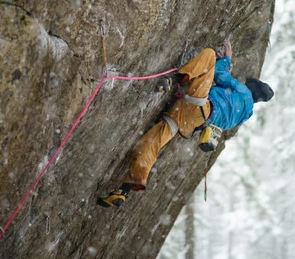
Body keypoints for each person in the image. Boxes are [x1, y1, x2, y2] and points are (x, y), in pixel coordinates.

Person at [97, 39, 274, 208]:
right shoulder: (244, 115)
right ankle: (123, 190)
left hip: (200, 104)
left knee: (209, 55)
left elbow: (219, 74)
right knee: (151, 144)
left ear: (251, 88)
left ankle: (173, 79)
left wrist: (226, 59)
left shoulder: (244, 93)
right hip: (189, 122)